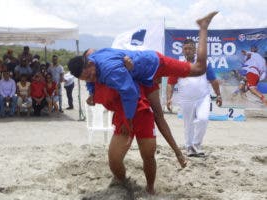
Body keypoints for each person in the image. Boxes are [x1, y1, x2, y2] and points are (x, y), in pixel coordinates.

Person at [68, 12, 218, 166]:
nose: (91, 78)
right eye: (85, 78)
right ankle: (179, 154)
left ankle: (203, 27)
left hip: (152, 64)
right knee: (157, 116)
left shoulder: (108, 66)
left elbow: (129, 94)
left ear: (90, 62)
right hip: (139, 78)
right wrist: (92, 93)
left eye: (90, 75)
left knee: (198, 70)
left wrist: (128, 121)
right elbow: (92, 81)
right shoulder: (94, 60)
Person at [93, 82, 157, 194]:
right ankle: (124, 183)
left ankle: (150, 188)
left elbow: (159, 114)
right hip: (123, 115)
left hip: (142, 111)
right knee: (114, 160)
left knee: (148, 155)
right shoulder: (100, 76)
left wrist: (177, 151)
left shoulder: (145, 77)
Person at [166, 39, 222, 157]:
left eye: (190, 48)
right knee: (188, 124)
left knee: (203, 119)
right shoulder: (178, 64)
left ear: (195, 49)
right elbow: (170, 83)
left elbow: (213, 80)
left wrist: (218, 95)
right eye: (185, 48)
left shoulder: (204, 63)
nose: (188, 51)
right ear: (182, 50)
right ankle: (189, 147)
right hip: (186, 99)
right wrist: (169, 99)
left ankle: (197, 144)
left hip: (203, 97)